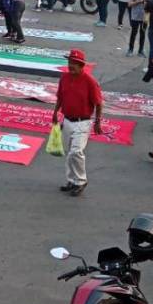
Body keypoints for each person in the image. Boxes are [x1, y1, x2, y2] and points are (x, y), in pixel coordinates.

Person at [51, 49, 103, 197]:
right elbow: (60, 97)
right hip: (67, 120)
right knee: (70, 153)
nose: (71, 66)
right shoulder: (64, 78)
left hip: (83, 122)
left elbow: (99, 103)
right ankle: (71, 180)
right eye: (69, 62)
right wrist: (55, 112)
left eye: (74, 63)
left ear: (81, 66)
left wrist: (97, 122)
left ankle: (81, 181)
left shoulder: (90, 82)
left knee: (76, 151)